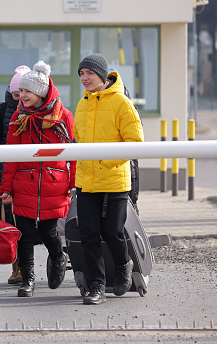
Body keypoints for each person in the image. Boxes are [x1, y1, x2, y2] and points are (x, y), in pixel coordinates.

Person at [0, 61, 75, 298]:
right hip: (23, 182)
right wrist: (6, 187)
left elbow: (73, 152)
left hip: (54, 183)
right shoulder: (18, 117)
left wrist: (73, 183)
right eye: (20, 92)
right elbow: (10, 155)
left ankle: (57, 257)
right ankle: (28, 279)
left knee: (48, 232)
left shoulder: (63, 116)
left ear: (41, 92)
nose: (22, 96)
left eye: (27, 91)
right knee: (24, 233)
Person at [73, 53, 144, 305]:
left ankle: (124, 264)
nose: (85, 78)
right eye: (81, 74)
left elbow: (135, 143)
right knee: (89, 233)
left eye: (89, 73)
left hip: (114, 178)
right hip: (86, 180)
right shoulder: (81, 104)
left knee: (112, 231)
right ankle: (97, 286)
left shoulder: (121, 103)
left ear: (102, 76)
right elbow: (77, 142)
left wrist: (104, 162)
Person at [0, 64, 30, 285]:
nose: (20, 98)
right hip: (5, 177)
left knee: (28, 224)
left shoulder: (36, 110)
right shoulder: (2, 110)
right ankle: (17, 268)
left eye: (24, 94)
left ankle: (30, 266)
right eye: (16, 94)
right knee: (9, 222)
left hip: (29, 177)